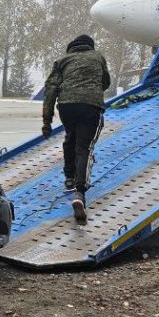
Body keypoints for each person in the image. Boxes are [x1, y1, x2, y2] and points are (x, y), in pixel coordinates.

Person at [41, 34, 111, 222]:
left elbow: (50, 89)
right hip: (90, 107)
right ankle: (79, 193)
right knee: (84, 148)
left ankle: (69, 177)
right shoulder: (98, 57)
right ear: (90, 46)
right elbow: (106, 82)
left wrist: (46, 122)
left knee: (70, 137)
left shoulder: (63, 60)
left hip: (67, 106)